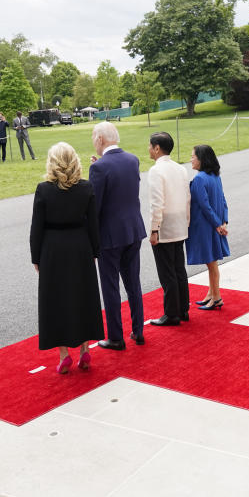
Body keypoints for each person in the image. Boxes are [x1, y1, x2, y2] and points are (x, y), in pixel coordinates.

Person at [30, 142, 104, 374]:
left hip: (52, 249)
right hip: (80, 247)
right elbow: (94, 224)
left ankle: (63, 354)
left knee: (57, 300)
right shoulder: (86, 187)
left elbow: (36, 228)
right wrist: (94, 251)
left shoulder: (44, 189)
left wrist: (36, 256)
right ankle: (84, 349)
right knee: (83, 296)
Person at [88, 122, 148, 350]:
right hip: (133, 229)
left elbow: (96, 207)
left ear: (101, 139)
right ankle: (138, 330)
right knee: (133, 283)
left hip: (110, 235)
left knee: (111, 286)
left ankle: (115, 336)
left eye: (94, 138)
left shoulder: (100, 168)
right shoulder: (132, 160)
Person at [147, 131, 191, 326]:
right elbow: (187, 198)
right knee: (178, 268)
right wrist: (186, 221)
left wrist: (154, 228)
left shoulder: (156, 171)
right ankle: (182, 309)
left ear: (157, 148)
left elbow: (157, 203)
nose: (148, 149)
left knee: (167, 272)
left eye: (150, 146)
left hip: (165, 224)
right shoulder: (180, 169)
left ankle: (171, 313)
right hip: (180, 222)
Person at [187, 145, 230, 310]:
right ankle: (211, 294)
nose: (191, 159)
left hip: (206, 226)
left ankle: (216, 297)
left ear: (201, 159)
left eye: (193, 156)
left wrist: (218, 224)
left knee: (211, 264)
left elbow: (204, 206)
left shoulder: (199, 179)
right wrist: (223, 222)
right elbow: (223, 200)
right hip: (216, 224)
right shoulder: (215, 176)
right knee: (212, 263)